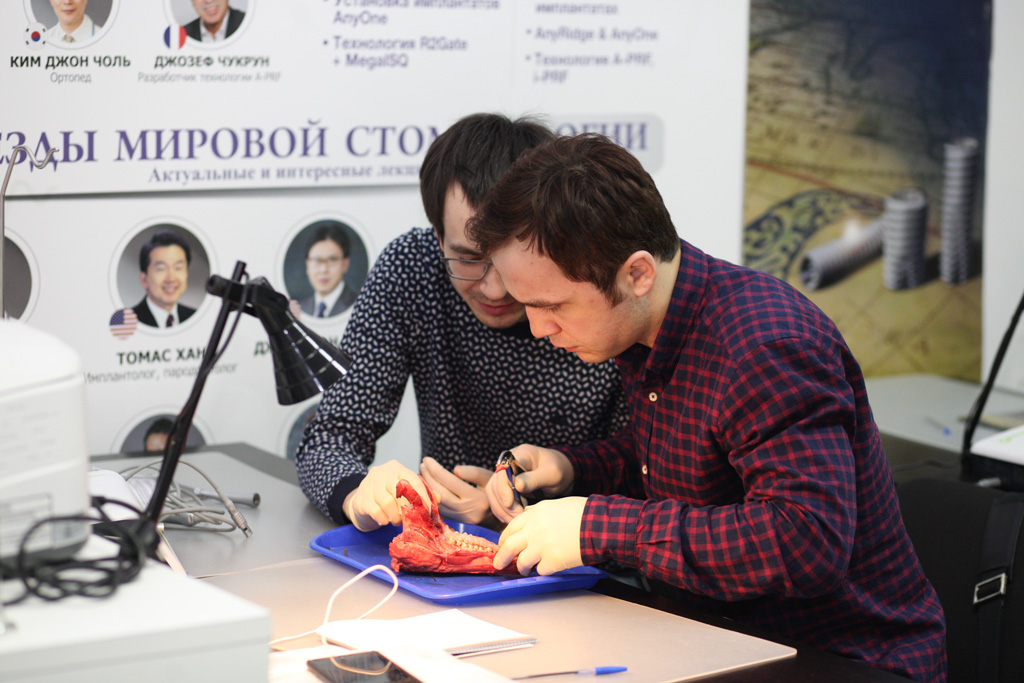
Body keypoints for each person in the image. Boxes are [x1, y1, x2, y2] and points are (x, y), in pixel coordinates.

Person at [469, 133, 946, 682]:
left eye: (552, 305)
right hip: (719, 642)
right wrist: (572, 469)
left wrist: (596, 526)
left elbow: (806, 541)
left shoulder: (765, 345)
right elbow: (692, 460)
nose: (538, 328)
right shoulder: (647, 327)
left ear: (637, 274)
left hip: (844, 659)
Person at [294, 114, 627, 531]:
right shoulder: (412, 269)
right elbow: (331, 435)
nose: (494, 289)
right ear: (437, 237)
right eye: (468, 259)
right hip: (446, 548)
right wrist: (358, 496)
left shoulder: (595, 283)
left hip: (583, 553)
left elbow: (641, 470)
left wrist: (513, 515)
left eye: (512, 261)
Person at [132, 230, 196, 329]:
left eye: (178, 268)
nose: (171, 278)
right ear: (144, 279)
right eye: (161, 269)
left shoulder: (195, 317)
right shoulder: (127, 322)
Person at [295, 222, 359, 319]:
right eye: (317, 260)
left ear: (345, 264)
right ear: (307, 264)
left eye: (332, 260)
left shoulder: (358, 304)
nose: (324, 270)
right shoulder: (300, 309)